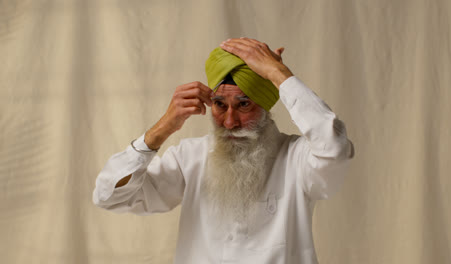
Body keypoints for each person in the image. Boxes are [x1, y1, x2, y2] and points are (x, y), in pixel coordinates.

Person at [93, 38, 355, 264]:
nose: (230, 122)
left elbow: (335, 147)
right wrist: (160, 130)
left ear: (265, 106)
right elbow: (109, 196)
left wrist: (279, 75)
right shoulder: (190, 157)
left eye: (243, 105)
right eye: (220, 104)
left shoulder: (297, 159)